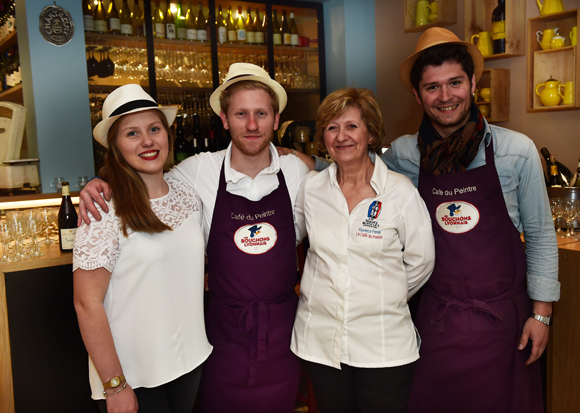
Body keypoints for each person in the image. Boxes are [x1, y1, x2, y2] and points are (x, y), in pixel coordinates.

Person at [287, 27, 560, 412]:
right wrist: (311, 163)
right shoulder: (406, 154)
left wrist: (542, 313)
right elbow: (359, 166)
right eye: (432, 87)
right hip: (436, 323)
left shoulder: (516, 151)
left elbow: (541, 235)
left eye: (454, 83)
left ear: (472, 83)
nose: (445, 96)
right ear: (417, 95)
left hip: (501, 325)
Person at [78, 63, 310, 413]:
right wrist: (99, 182)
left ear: (276, 120)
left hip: (274, 336)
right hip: (220, 337)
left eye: (261, 113)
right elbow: (87, 301)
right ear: (224, 119)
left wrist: (308, 157)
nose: (251, 124)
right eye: (241, 113)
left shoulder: (298, 172)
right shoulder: (195, 172)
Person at [291, 87, 435, 412]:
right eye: (332, 127)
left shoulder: (400, 192)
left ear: (370, 133)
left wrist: (383, 295)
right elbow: (289, 239)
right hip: (321, 342)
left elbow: (422, 261)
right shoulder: (311, 188)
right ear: (323, 137)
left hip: (383, 345)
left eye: (351, 126)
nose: (341, 136)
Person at [73, 84, 212, 413]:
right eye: (132, 133)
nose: (147, 141)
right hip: (133, 375)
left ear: (167, 135)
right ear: (116, 146)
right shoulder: (104, 208)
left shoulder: (187, 193)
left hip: (189, 361)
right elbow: (86, 303)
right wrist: (114, 385)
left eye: (154, 129)